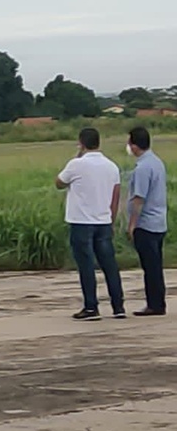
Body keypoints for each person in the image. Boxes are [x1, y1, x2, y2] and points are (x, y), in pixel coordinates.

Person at [55, 128, 125, 320]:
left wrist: (77, 157)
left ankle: (91, 306)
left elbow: (59, 183)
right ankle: (118, 306)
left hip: (81, 221)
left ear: (81, 143)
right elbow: (116, 194)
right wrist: (111, 217)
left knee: (86, 265)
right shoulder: (111, 166)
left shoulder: (76, 164)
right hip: (103, 220)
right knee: (109, 265)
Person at [125, 126, 167, 316]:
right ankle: (158, 302)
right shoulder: (157, 162)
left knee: (150, 267)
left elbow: (139, 199)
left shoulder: (142, 168)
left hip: (146, 224)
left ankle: (155, 304)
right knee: (156, 265)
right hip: (159, 222)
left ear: (134, 145)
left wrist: (132, 224)